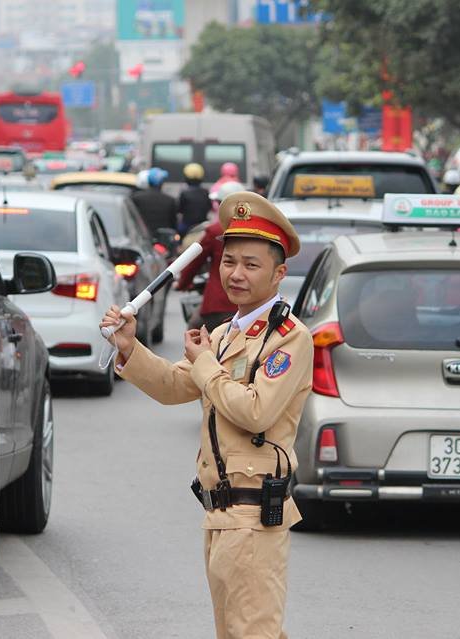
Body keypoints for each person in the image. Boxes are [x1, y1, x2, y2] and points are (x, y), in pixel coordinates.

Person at [100, 191, 313, 639]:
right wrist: (129, 348)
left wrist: (204, 363)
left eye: (251, 265)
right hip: (219, 514)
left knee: (253, 633)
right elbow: (175, 386)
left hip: (254, 517)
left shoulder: (289, 338)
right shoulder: (223, 334)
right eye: (229, 261)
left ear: (279, 274)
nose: (236, 274)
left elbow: (255, 411)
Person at [175, 181, 245, 331]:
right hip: (246, 306)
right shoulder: (254, 230)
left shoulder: (215, 230)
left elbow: (194, 262)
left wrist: (183, 283)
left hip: (218, 305)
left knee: (194, 329)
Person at [131, 167, 177, 235]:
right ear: (161, 183)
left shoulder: (136, 197)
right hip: (163, 238)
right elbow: (173, 224)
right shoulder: (170, 200)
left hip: (141, 236)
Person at [178, 162, 212, 234]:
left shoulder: (184, 193)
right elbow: (209, 207)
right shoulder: (205, 192)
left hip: (186, 226)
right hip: (203, 225)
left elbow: (180, 210)